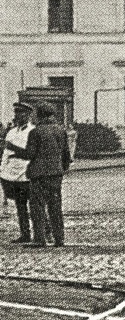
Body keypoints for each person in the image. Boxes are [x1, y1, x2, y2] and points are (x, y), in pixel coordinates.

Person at [22, 103, 71, 247]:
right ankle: (59, 238)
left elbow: (30, 154)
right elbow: (66, 154)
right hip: (55, 174)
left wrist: (19, 152)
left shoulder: (35, 132)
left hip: (38, 174)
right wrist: (62, 168)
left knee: (37, 207)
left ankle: (40, 238)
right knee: (55, 206)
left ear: (40, 115)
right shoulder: (60, 130)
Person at [1, 102, 36, 244]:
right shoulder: (11, 132)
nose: (18, 116)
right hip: (13, 175)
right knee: (20, 206)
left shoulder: (32, 131)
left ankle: (45, 231)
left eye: (21, 113)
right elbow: (6, 153)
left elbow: (31, 153)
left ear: (28, 115)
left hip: (27, 174)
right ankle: (25, 233)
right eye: (16, 113)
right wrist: (3, 170)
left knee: (35, 206)